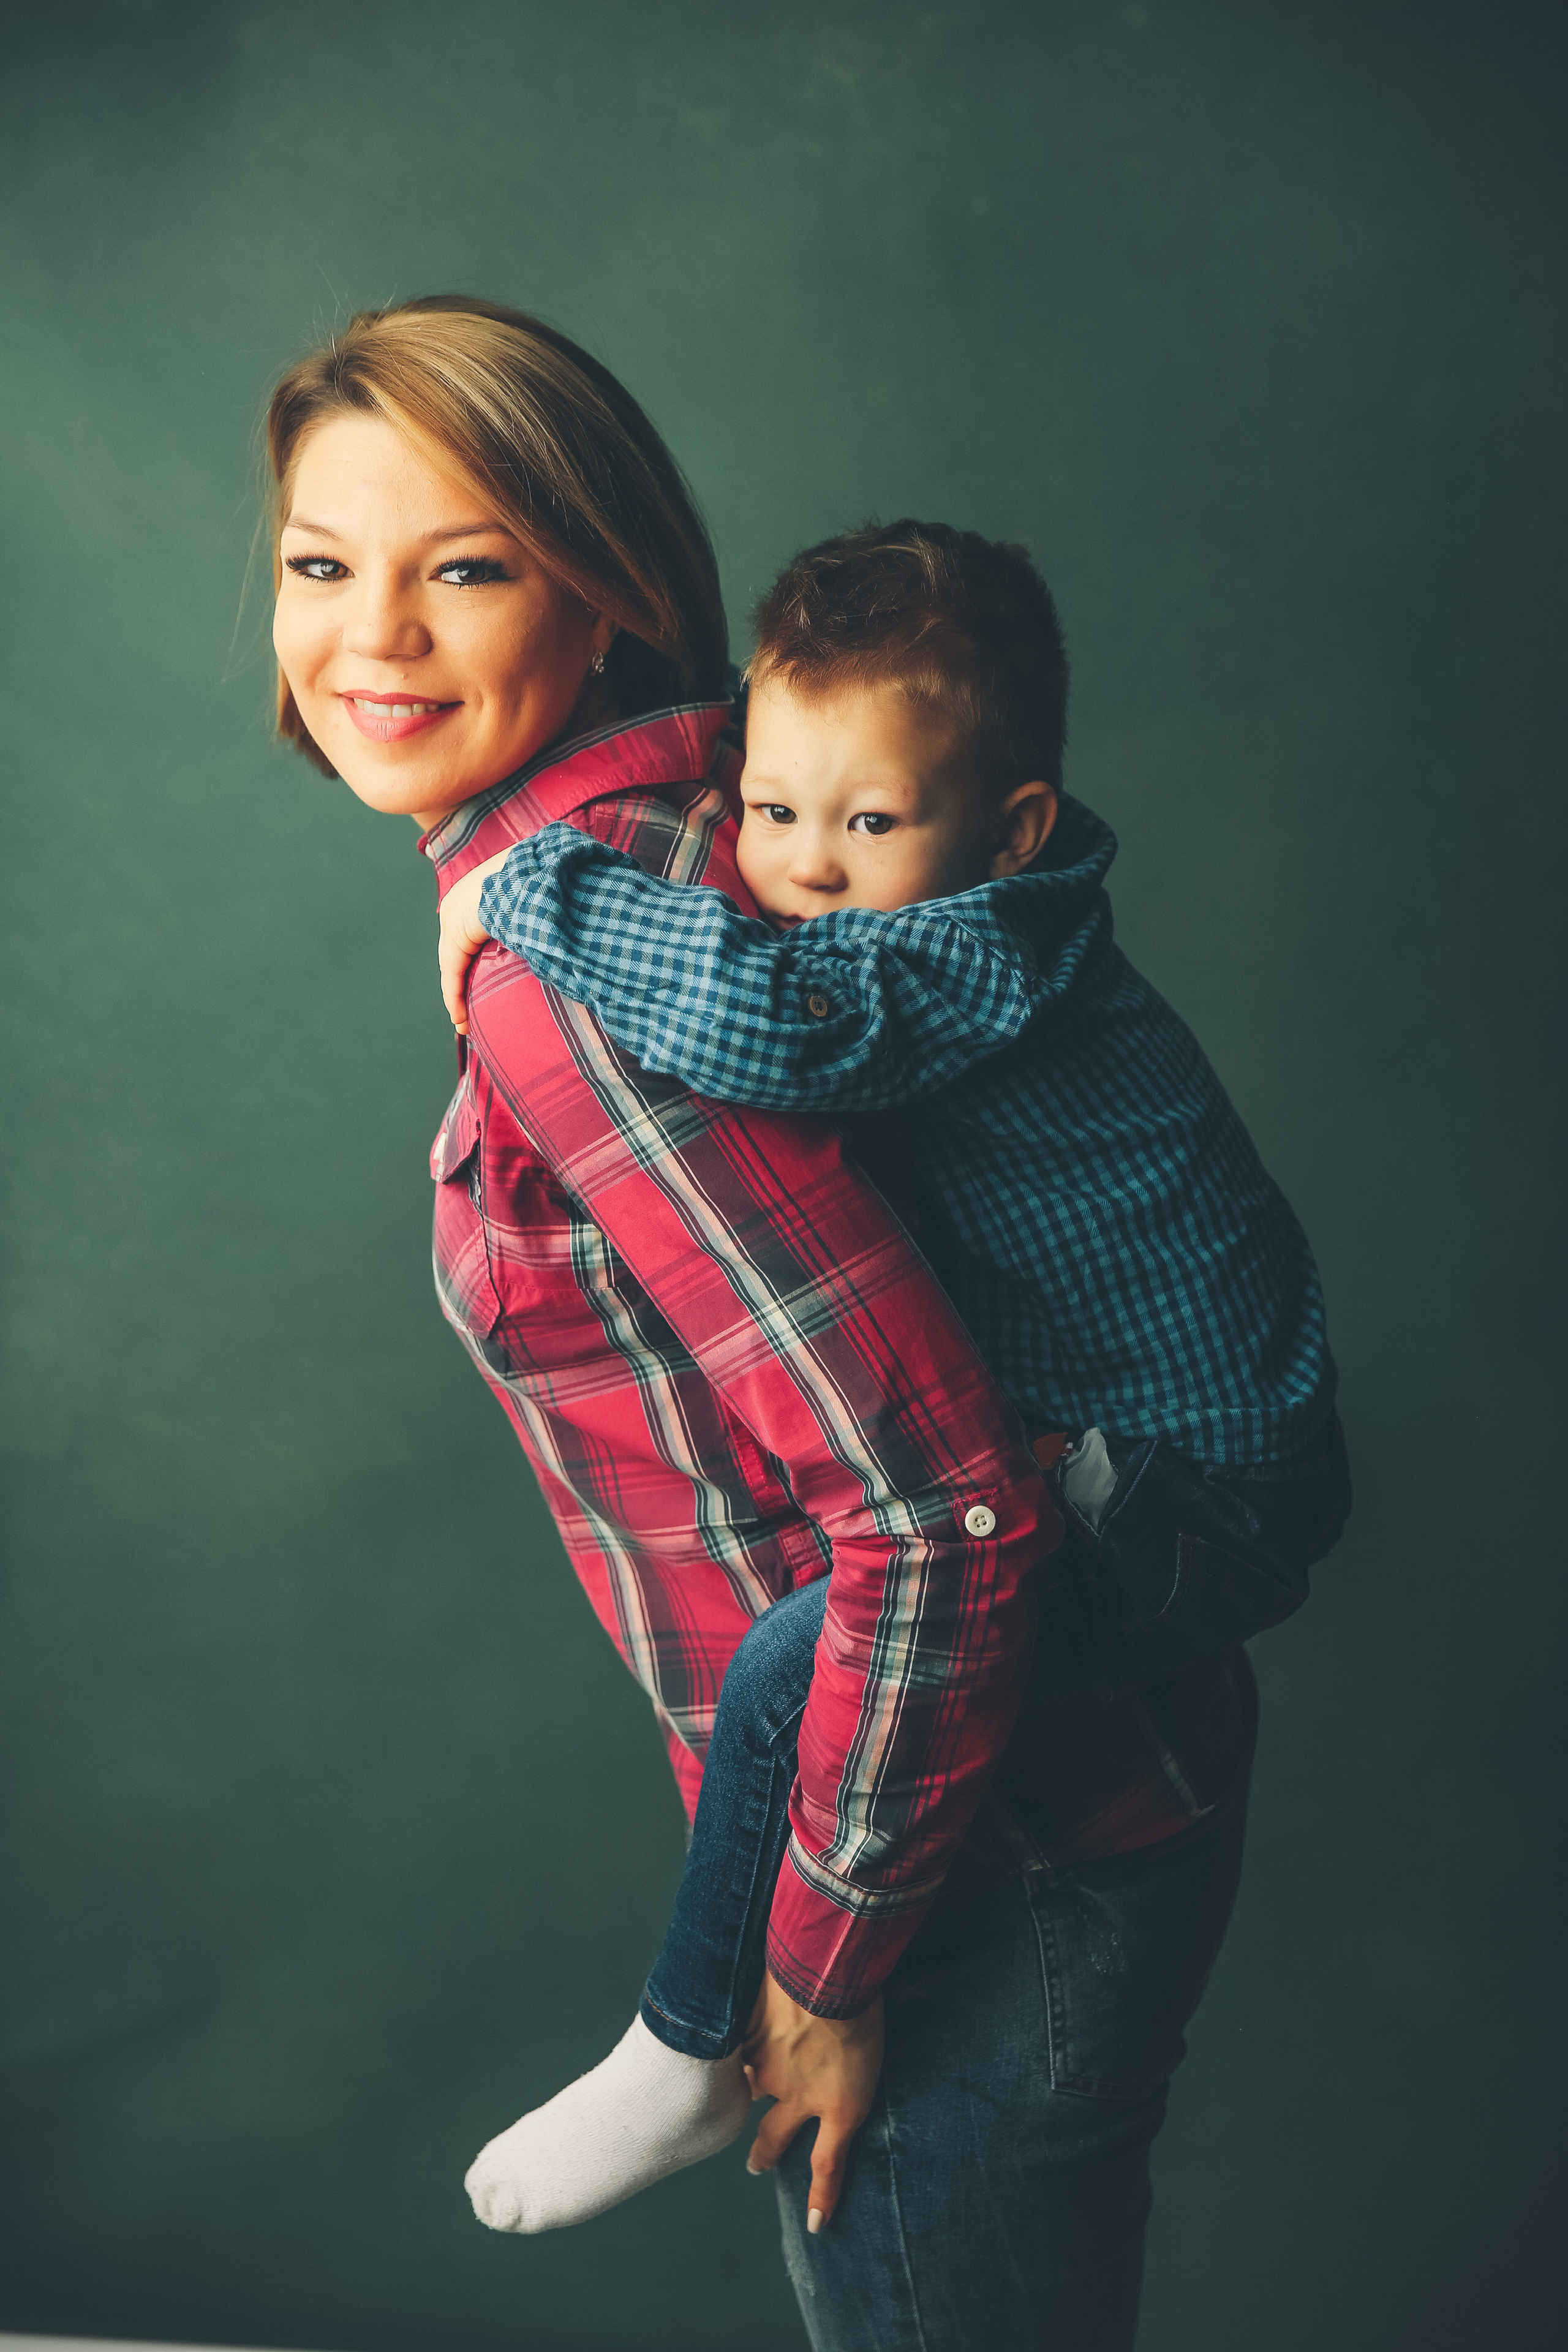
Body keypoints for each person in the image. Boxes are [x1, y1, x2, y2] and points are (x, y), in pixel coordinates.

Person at [265, 301, 1329, 2350]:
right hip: (1014, 1798)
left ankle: (676, 2044)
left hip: (975, 1854)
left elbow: (936, 1526)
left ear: (611, 589)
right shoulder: (705, 832)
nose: (369, 637)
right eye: (323, 564)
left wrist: (821, 1972)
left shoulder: (585, 947)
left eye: (464, 564)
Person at [443, 518, 1351, 2252]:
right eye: (772, 814)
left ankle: (689, 2033)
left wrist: (527, 892)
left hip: (1192, 1495)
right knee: (837, 1629)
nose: (807, 868)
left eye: (871, 823)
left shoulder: (976, 945)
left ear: (1006, 826)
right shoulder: (907, 889)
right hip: (1135, 1458)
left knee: (823, 1644)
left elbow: (770, 1019)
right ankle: (697, 2032)